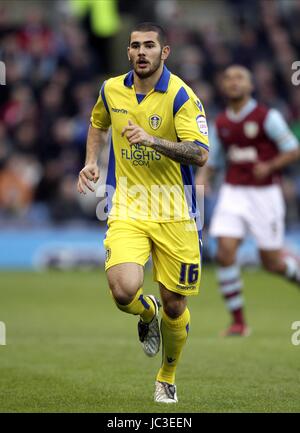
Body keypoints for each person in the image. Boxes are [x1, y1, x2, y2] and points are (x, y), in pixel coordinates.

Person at [77, 22, 209, 403]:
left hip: (174, 211)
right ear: (129, 52)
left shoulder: (182, 96)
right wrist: (91, 162)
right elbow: (98, 123)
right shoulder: (111, 89)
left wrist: (152, 139)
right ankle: (144, 312)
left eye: (149, 46)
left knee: (176, 303)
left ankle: (166, 376)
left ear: (164, 52)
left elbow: (200, 154)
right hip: (128, 206)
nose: (141, 52)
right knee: (123, 291)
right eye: (135, 46)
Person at [196, 65, 300, 337]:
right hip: (234, 192)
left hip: (265, 194)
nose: (233, 82)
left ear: (251, 85)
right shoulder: (220, 123)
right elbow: (214, 159)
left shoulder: (267, 117)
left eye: (239, 77)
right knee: (224, 251)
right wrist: (202, 178)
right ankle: (238, 322)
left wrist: (270, 166)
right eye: (228, 78)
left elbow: (293, 150)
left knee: (272, 263)